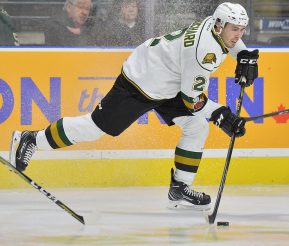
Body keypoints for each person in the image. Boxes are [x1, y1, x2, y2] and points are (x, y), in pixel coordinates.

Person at [10, 2, 259, 210]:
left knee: (195, 127)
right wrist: (221, 115)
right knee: (95, 128)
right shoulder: (204, 52)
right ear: (219, 25)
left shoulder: (213, 24)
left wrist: (243, 54)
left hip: (169, 79)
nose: (238, 35)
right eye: (234, 29)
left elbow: (231, 41)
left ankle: (180, 189)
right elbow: (192, 100)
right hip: (141, 81)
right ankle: (32, 139)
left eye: (242, 30)